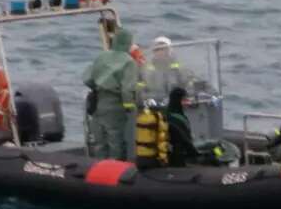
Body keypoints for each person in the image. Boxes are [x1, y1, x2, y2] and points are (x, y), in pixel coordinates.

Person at [81, 25, 140, 160]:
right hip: (115, 105)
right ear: (128, 43)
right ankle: (115, 171)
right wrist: (130, 108)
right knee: (115, 140)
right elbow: (127, 89)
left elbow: (88, 79)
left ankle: (99, 170)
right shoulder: (129, 62)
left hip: (99, 103)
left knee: (100, 140)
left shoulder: (102, 56)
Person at [139, 36, 204, 97]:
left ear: (169, 50)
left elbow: (190, 82)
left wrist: (191, 91)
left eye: (163, 49)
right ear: (153, 51)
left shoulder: (180, 68)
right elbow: (140, 86)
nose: (160, 52)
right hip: (153, 103)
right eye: (157, 49)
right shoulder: (145, 69)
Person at [162, 86, 202, 167]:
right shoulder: (176, 119)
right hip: (179, 158)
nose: (187, 102)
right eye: (184, 100)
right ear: (178, 100)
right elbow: (185, 140)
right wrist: (196, 154)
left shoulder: (169, 114)